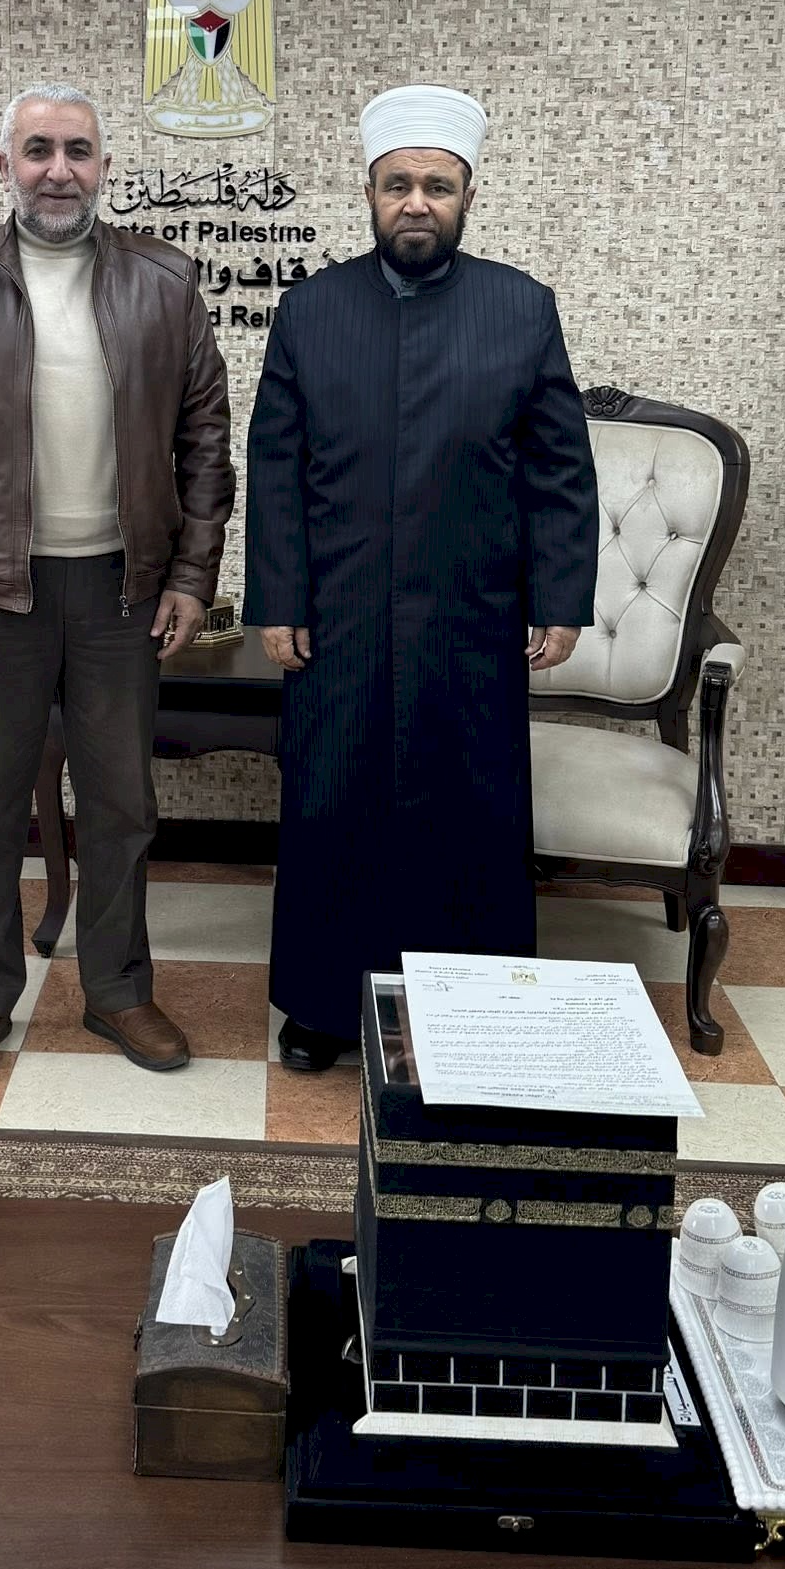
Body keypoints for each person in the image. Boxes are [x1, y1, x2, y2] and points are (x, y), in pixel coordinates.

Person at [0, 83, 234, 1087]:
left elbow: (205, 437)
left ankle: (116, 989)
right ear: (5, 166)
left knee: (122, 803)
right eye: (38, 150)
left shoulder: (164, 279)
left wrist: (192, 574)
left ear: (105, 165)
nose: (58, 170)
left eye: (77, 150)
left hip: (124, 591)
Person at [244, 84, 598, 1072]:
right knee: (332, 805)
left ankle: (467, 1009)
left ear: (468, 196)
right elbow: (274, 466)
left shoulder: (520, 308)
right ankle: (322, 1006)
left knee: (466, 814)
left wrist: (559, 597)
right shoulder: (311, 310)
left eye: (436, 187)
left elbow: (559, 468)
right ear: (368, 192)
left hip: (470, 615)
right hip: (340, 616)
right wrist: (278, 598)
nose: (416, 202)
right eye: (397, 183)